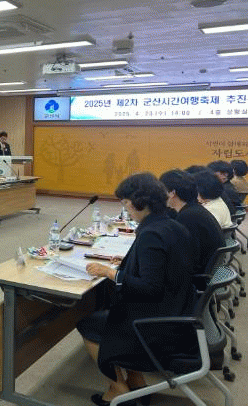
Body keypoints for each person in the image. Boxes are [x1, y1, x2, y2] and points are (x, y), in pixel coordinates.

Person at [76, 173, 196, 406]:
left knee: (88, 325)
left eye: (126, 203)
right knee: (110, 312)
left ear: (140, 202)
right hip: (177, 310)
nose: (125, 209)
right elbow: (163, 269)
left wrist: (109, 272)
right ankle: (137, 383)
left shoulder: (151, 233)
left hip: (156, 323)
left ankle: (118, 389)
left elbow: (149, 288)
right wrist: (129, 263)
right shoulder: (172, 225)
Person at [159, 169, 224, 276]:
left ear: (172, 193)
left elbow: (184, 259)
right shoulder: (194, 209)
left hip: (197, 278)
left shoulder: (188, 217)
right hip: (207, 272)